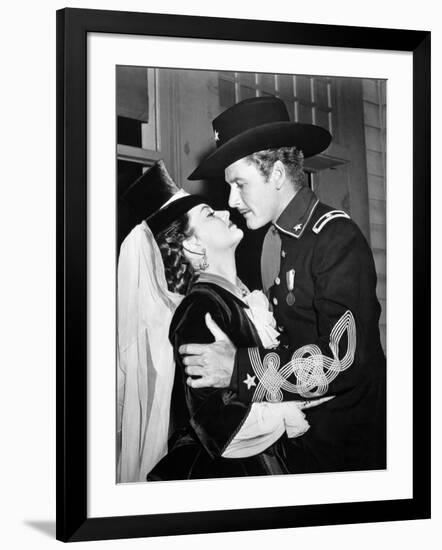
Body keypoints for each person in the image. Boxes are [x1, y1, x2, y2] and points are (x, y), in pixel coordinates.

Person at [183, 96, 387, 474]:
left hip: (349, 451)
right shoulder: (270, 243)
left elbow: (344, 361)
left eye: (239, 184)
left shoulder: (335, 238)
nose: (231, 200)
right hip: (299, 444)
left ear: (276, 174)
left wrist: (239, 370)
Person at [117, 160, 328, 483]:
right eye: (210, 215)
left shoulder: (241, 297)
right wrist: (288, 409)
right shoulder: (199, 310)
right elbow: (215, 422)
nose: (227, 212)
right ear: (193, 245)